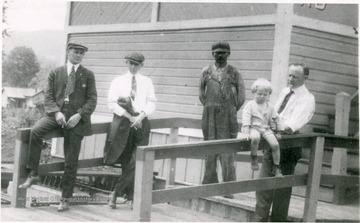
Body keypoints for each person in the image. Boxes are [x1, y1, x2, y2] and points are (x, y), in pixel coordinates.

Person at [18, 42, 98, 212]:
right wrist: (56, 113)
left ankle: (65, 199)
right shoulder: (56, 72)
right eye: (75, 52)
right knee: (36, 131)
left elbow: (92, 100)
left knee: (71, 159)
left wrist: (80, 115)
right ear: (68, 52)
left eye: (81, 53)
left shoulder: (88, 75)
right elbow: (48, 97)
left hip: (77, 117)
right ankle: (33, 173)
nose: (78, 55)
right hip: (57, 114)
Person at [254, 63, 315, 222]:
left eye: (295, 76)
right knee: (263, 187)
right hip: (272, 141)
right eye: (289, 75)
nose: (290, 79)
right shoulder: (284, 92)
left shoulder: (307, 99)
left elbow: (291, 125)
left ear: (305, 78)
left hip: (288, 146)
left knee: (281, 191)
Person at [105, 52, 156, 209]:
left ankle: (115, 192)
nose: (133, 67)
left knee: (137, 159)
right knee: (127, 161)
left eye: (137, 64)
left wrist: (140, 117)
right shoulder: (118, 81)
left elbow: (152, 103)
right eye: (131, 63)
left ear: (142, 65)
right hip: (124, 124)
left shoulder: (147, 82)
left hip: (141, 123)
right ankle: (133, 197)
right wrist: (130, 117)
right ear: (127, 63)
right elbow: (112, 103)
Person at [199, 41, 246, 198]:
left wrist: (230, 110)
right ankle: (209, 184)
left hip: (228, 115)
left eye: (223, 53)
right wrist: (210, 107)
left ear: (228, 54)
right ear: (212, 54)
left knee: (227, 150)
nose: (219, 55)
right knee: (209, 147)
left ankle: (228, 188)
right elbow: (201, 93)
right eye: (216, 52)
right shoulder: (206, 71)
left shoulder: (234, 72)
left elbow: (241, 97)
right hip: (209, 114)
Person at [242, 78, 283, 177]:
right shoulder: (250, 105)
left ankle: (276, 167)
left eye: (265, 95)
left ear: (268, 95)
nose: (262, 96)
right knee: (255, 138)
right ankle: (254, 157)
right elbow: (246, 118)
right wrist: (247, 132)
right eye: (259, 94)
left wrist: (279, 131)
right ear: (254, 93)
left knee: (275, 144)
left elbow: (277, 119)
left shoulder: (270, 107)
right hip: (253, 128)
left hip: (265, 128)